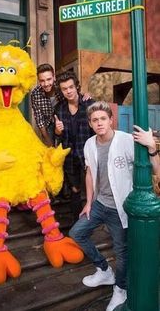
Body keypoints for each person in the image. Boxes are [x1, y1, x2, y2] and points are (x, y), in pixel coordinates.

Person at [69, 101, 134, 311]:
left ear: (111, 120)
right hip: (99, 204)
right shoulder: (89, 144)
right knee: (77, 233)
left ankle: (120, 289)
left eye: (103, 119)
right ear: (90, 123)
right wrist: (88, 203)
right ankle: (104, 270)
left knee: (122, 252)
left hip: (120, 208)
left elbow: (149, 167)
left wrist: (152, 148)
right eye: (95, 120)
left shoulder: (125, 140)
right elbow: (89, 173)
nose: (99, 123)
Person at [54, 71, 94, 222]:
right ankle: (77, 224)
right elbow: (58, 136)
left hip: (88, 154)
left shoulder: (89, 104)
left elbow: (98, 130)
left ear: (77, 86)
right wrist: (58, 131)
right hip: (70, 156)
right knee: (75, 190)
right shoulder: (59, 108)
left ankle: (93, 222)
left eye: (71, 87)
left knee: (93, 188)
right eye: (64, 89)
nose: (69, 91)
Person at [31, 64, 91, 147]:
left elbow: (72, 91)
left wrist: (84, 94)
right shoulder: (35, 94)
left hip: (64, 116)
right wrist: (47, 140)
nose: (46, 83)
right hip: (48, 123)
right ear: (38, 80)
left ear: (54, 77)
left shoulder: (61, 85)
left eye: (49, 79)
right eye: (42, 80)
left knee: (67, 141)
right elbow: (39, 118)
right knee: (50, 148)